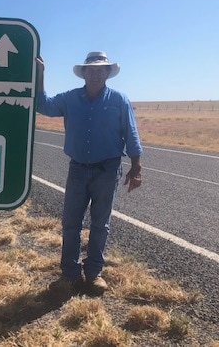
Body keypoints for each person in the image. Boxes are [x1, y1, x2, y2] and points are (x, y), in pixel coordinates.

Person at [36, 51, 143, 295]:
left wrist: (137, 167)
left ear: (107, 73)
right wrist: (40, 74)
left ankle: (94, 274)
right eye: (91, 70)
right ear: (83, 73)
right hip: (77, 169)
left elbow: (131, 133)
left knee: (100, 224)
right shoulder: (70, 98)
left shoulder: (119, 99)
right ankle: (70, 275)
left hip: (107, 170)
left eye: (100, 70)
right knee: (71, 224)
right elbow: (43, 105)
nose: (95, 74)